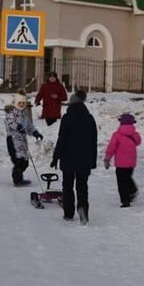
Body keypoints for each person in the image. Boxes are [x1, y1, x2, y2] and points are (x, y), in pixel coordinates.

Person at [51, 90, 97, 224]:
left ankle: (68, 213)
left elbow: (62, 139)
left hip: (68, 158)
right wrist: (92, 160)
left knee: (67, 186)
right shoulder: (89, 118)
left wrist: (56, 157)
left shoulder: (67, 118)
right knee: (82, 187)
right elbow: (93, 141)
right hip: (84, 159)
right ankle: (83, 210)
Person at [103, 113, 141, 208]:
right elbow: (138, 142)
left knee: (121, 182)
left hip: (120, 163)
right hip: (131, 162)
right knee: (128, 177)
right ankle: (132, 190)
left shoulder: (117, 135)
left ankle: (125, 200)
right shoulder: (135, 134)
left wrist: (107, 158)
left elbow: (111, 147)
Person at [5, 95, 42, 187]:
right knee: (18, 160)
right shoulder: (11, 113)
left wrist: (35, 133)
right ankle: (17, 180)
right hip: (13, 140)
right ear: (15, 103)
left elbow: (29, 126)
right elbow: (9, 123)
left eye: (23, 103)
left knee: (25, 162)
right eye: (19, 103)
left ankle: (19, 176)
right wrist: (17, 126)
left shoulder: (24, 115)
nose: (21, 105)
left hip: (22, 141)